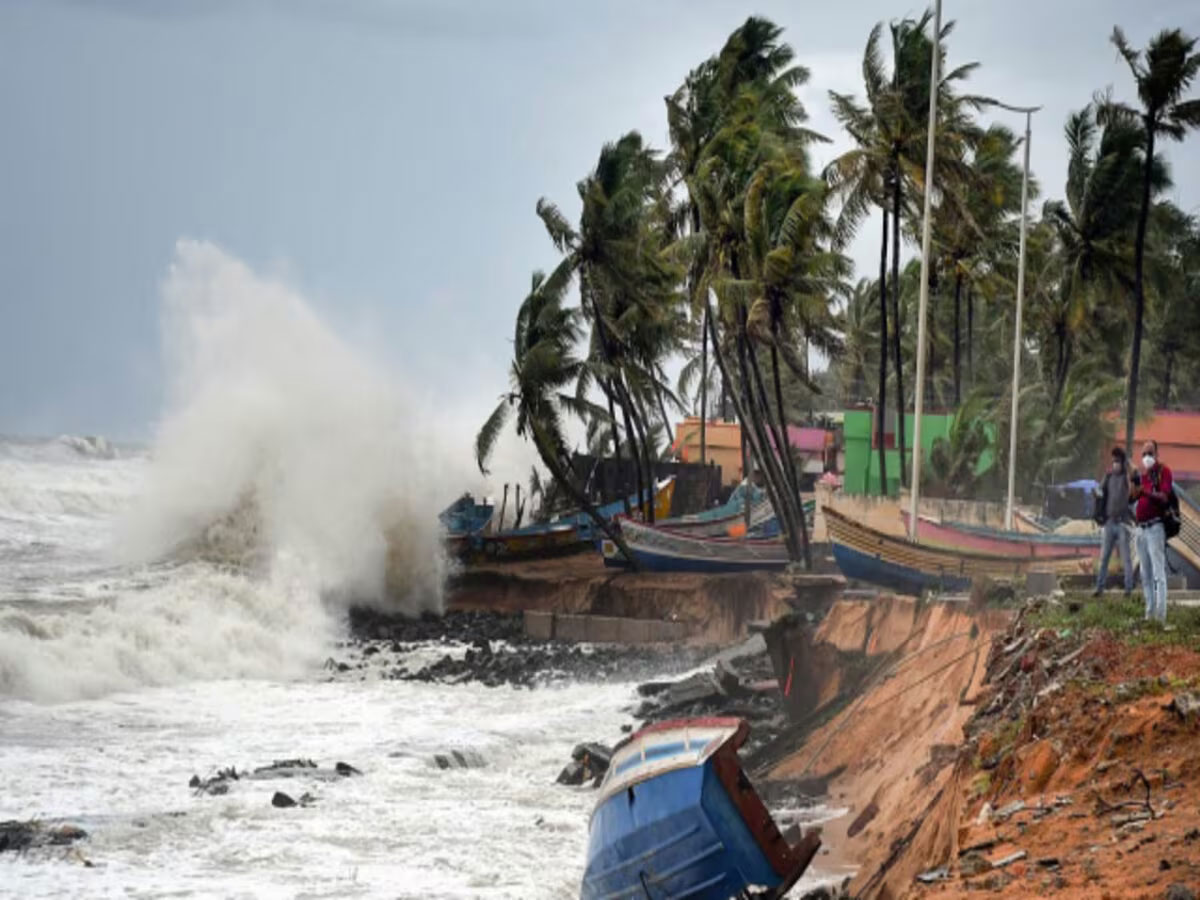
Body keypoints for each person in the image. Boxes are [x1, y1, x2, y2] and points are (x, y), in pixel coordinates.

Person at [1130, 439, 1173, 623]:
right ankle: (1149, 615)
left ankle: (1160, 618)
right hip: (1141, 529)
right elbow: (1131, 499)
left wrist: (1144, 492)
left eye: (1150, 453)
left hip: (1155, 527)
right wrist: (1133, 486)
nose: (1147, 457)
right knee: (1145, 575)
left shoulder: (1164, 472)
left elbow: (1164, 497)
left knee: (1158, 575)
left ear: (1157, 454)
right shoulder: (1144, 476)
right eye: (1144, 454)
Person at [1093, 447, 1133, 597]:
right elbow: (1100, 492)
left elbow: (1133, 474)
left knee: (1126, 559)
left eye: (1118, 461)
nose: (1115, 464)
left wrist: (1126, 460)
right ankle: (1099, 588)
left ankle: (1128, 589)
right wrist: (1097, 495)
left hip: (1123, 523)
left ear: (1122, 463)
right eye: (1113, 461)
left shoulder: (1125, 477)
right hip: (1109, 523)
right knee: (1104, 558)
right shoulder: (1108, 477)